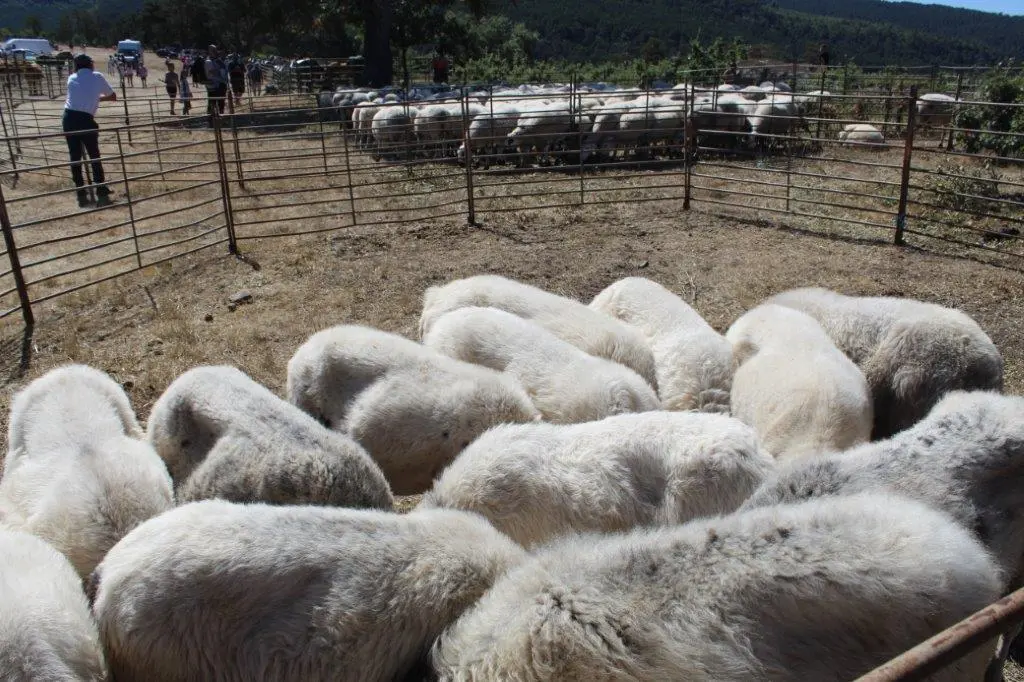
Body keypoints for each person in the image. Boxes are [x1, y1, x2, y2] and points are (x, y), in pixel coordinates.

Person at [63, 53, 116, 208]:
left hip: (68, 118)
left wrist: (91, 97)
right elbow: (113, 96)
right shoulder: (97, 76)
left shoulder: (71, 78)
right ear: (90, 65)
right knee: (94, 156)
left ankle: (81, 195)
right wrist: (97, 98)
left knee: (75, 157)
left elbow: (78, 95)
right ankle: (101, 192)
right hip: (86, 119)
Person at [204, 44, 229, 123]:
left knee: (221, 103)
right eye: (212, 50)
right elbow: (210, 73)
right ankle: (210, 120)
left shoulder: (219, 61)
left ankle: (220, 119)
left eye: (215, 50)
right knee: (212, 103)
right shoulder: (208, 61)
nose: (215, 52)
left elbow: (224, 72)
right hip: (212, 85)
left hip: (221, 85)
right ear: (209, 51)